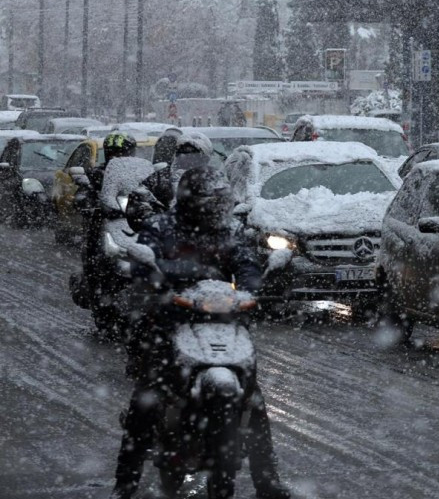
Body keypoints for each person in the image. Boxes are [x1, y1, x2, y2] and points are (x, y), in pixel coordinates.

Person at [110, 167, 290, 499]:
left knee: (254, 399)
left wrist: (253, 290)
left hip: (223, 323)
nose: (219, 210)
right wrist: (173, 277)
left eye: (223, 203)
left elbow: (247, 263)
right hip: (170, 322)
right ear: (196, 202)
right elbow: (141, 265)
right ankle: (125, 484)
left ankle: (267, 479)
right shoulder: (161, 228)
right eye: (214, 203)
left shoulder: (231, 230)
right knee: (147, 399)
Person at [72, 133, 138, 308]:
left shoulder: (140, 176)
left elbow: (157, 193)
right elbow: (82, 195)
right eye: (114, 153)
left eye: (123, 153)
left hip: (133, 224)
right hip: (104, 223)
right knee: (93, 251)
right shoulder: (96, 175)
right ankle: (93, 290)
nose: (118, 157)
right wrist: (87, 202)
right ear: (107, 154)